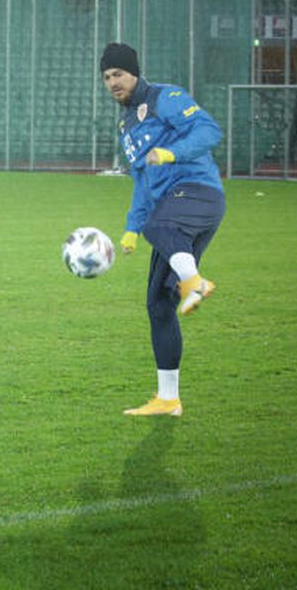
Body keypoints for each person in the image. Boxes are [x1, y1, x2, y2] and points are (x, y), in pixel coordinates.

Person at [101, 42, 225, 418]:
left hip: (198, 194)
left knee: (161, 224)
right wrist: (131, 229)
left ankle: (195, 282)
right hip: (168, 210)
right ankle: (168, 399)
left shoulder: (164, 97)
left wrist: (172, 153)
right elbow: (141, 181)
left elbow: (209, 130)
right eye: (106, 77)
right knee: (158, 305)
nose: (112, 83)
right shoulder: (127, 125)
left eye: (118, 74)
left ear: (134, 72)